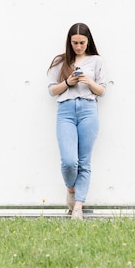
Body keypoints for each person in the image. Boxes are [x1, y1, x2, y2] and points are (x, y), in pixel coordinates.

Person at [47, 23, 107, 220]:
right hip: (66, 111)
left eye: (82, 43)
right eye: (75, 43)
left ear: (88, 41)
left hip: (89, 109)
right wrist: (68, 82)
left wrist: (88, 82)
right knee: (69, 161)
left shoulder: (96, 61)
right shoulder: (61, 61)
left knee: (84, 161)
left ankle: (78, 206)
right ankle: (71, 189)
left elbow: (102, 91)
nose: (78, 46)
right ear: (69, 42)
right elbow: (51, 90)